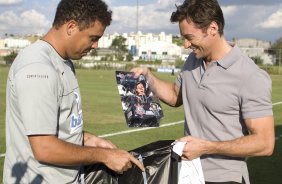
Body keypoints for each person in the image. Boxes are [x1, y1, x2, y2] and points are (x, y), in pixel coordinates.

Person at [131, 0, 275, 183]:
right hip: (186, 174)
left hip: (225, 179)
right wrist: (149, 79)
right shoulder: (193, 60)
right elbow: (176, 95)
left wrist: (206, 147)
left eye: (189, 37)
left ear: (213, 28)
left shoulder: (250, 75)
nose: (185, 44)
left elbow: (264, 143)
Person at [3, 0, 144, 183]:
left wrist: (90, 139)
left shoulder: (64, 61)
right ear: (71, 27)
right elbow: (44, 147)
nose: (95, 46)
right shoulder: (37, 68)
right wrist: (104, 155)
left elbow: (59, 126)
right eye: (93, 38)